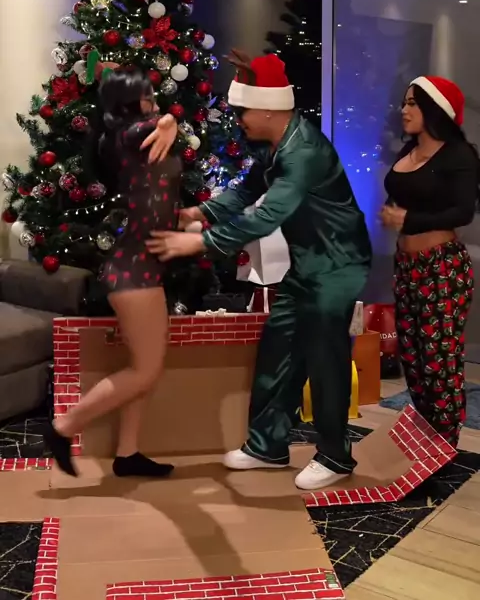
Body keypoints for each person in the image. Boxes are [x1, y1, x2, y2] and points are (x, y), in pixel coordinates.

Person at [146, 51, 372, 491]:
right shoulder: (273, 147)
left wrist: (201, 242)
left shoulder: (303, 152)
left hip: (338, 265)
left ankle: (335, 455)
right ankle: (267, 445)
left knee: (324, 356)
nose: (238, 120)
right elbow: (247, 191)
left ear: (269, 109)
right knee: (278, 347)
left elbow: (268, 215)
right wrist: (199, 213)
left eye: (243, 111)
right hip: (308, 263)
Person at [45, 68, 181, 477]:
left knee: (144, 367)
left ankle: (128, 453)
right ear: (130, 102)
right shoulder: (131, 133)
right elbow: (159, 123)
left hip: (139, 267)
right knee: (145, 369)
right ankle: (63, 427)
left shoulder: (127, 135)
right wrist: (168, 121)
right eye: (147, 94)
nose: (154, 99)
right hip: (134, 271)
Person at [381, 75, 478, 448]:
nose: (404, 110)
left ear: (434, 110)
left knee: (439, 360)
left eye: (413, 103)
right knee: (413, 357)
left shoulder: (458, 154)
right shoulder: (407, 151)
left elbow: (462, 212)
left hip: (441, 267)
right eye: (404, 102)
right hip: (407, 265)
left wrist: (409, 220)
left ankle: (445, 443)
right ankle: (425, 441)